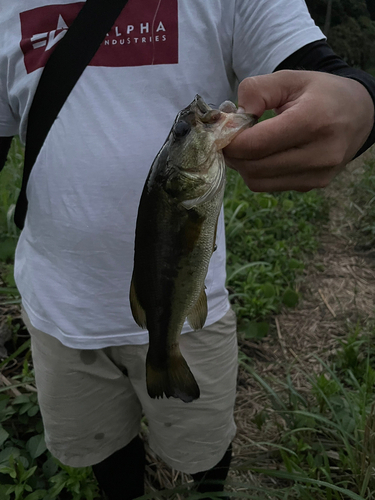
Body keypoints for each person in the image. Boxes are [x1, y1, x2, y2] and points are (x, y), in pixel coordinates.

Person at [0, 1, 374, 499]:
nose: (195, 122)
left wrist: (360, 103)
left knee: (204, 445)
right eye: (186, 129)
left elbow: (326, 71)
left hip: (193, 308)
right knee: (101, 446)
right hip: (53, 307)